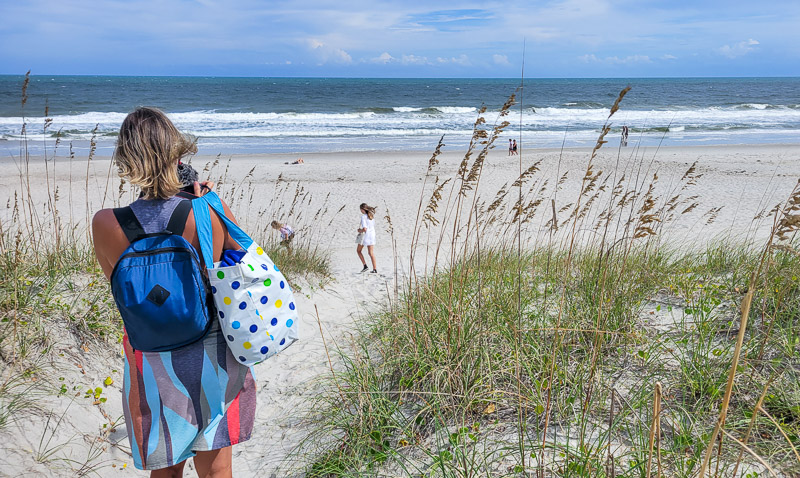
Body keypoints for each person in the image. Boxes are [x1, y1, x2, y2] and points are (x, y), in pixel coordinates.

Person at [91, 107, 255, 478]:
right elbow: (238, 268)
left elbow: (121, 290)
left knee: (164, 468)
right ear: (177, 156)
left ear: (126, 159)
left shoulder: (105, 223)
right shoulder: (206, 208)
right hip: (212, 347)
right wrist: (207, 201)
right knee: (216, 468)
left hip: (149, 353)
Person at [357, 203, 377, 273]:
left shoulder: (363, 217)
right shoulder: (371, 216)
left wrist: (360, 230)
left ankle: (365, 265)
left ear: (362, 209)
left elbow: (365, 229)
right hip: (372, 235)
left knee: (358, 251)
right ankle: (375, 269)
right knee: (371, 253)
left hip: (366, 236)